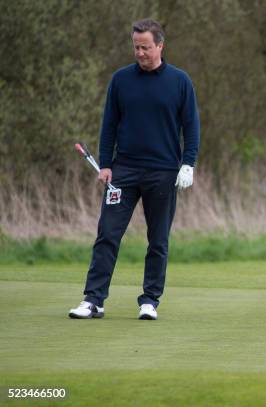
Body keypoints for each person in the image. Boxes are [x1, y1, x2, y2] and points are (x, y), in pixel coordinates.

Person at [69, 19, 200, 320]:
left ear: (160, 46)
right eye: (136, 47)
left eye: (145, 47)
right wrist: (105, 164)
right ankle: (93, 300)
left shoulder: (180, 82)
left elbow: (191, 127)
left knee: (158, 240)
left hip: (163, 173)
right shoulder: (121, 80)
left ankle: (150, 300)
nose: (140, 53)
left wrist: (188, 164)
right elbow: (109, 125)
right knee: (107, 234)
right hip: (123, 172)